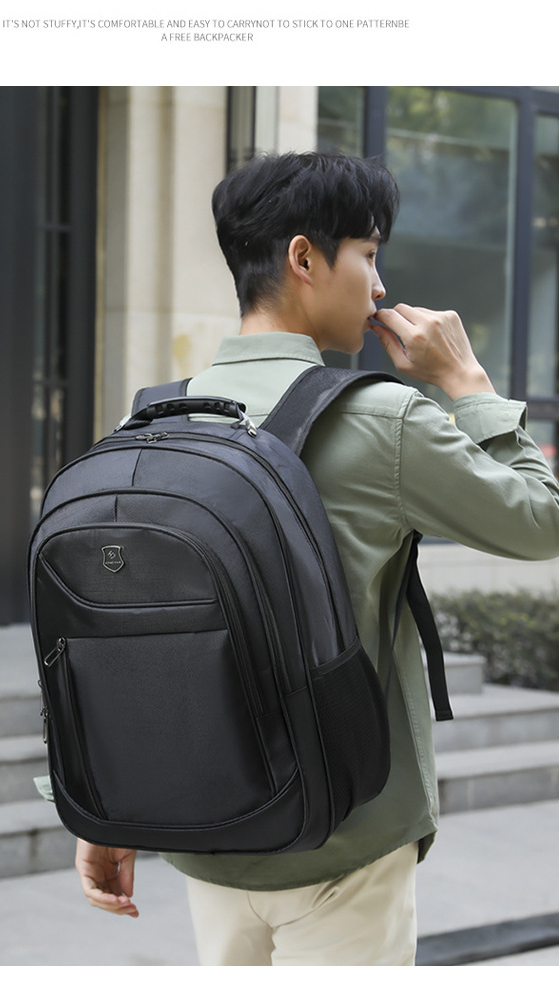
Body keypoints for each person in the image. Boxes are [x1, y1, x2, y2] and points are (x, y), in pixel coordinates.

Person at [73, 151, 559, 965]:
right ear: (304, 257)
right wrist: (466, 379)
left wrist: (106, 804)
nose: (379, 284)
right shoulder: (383, 419)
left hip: (206, 832)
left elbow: (117, 631)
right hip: (345, 840)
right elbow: (542, 520)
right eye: (368, 252)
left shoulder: (152, 421)